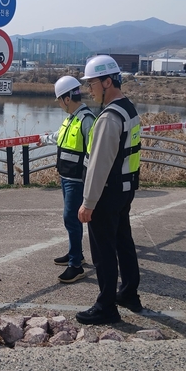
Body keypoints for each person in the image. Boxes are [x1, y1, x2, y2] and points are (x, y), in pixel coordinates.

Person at [75, 55, 143, 325]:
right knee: (123, 241)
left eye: (91, 83)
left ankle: (106, 306)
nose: (88, 89)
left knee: (103, 251)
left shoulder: (109, 118)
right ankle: (129, 293)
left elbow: (99, 165)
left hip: (106, 193)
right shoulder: (128, 109)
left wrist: (88, 203)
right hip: (124, 190)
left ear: (107, 82)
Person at [38, 76, 95, 283]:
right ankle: (75, 254)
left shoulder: (86, 120)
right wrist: (43, 139)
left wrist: (88, 181)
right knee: (72, 220)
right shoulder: (72, 118)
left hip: (77, 181)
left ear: (67, 99)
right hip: (66, 177)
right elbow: (59, 136)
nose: (60, 105)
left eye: (60, 100)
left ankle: (75, 266)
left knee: (70, 218)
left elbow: (93, 153)